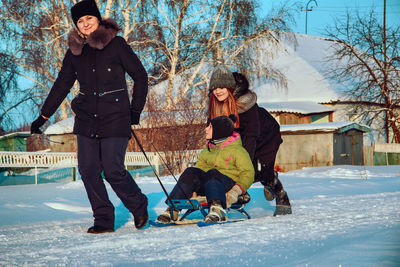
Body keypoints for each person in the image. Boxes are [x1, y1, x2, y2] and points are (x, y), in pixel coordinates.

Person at [30, 0, 149, 233]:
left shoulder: (117, 45)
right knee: (88, 169)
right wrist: (43, 116)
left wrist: (134, 111)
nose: (85, 24)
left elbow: (141, 76)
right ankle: (104, 219)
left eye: (89, 19)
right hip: (87, 118)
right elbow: (61, 85)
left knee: (113, 169)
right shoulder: (75, 52)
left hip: (116, 117)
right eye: (80, 21)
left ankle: (138, 204)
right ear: (76, 25)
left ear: (98, 20)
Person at [207, 65, 292, 216]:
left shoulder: (247, 107)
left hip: (266, 137)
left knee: (258, 173)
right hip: (240, 140)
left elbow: (251, 135)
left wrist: (242, 162)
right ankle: (242, 192)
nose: (218, 91)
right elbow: (213, 132)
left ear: (231, 88)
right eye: (215, 88)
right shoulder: (216, 105)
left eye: (222, 87)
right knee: (240, 172)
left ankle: (281, 195)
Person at [156, 115, 254, 223]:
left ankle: (217, 208)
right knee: (191, 172)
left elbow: (248, 173)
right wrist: (193, 189)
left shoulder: (238, 151)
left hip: (227, 185)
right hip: (209, 184)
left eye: (210, 127)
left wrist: (235, 192)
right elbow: (199, 173)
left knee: (213, 173)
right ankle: (173, 208)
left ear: (220, 131)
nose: (206, 129)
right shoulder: (206, 151)